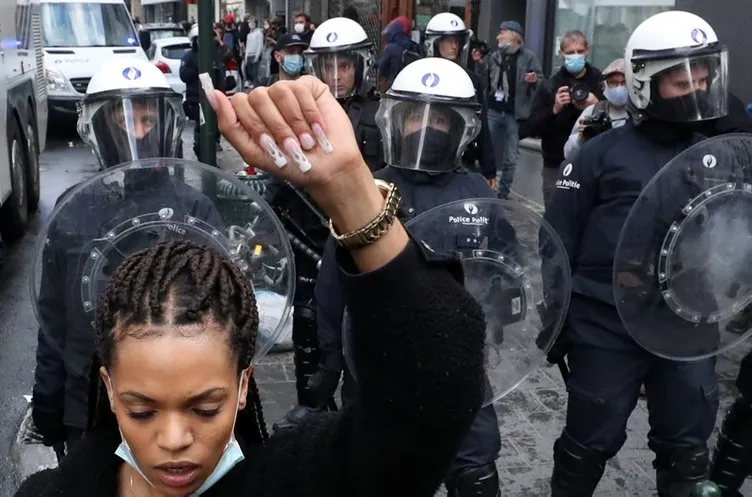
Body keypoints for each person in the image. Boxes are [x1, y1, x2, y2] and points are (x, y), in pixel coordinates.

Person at [15, 74, 488, 497]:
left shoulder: (292, 482)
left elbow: (428, 404)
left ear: (242, 386)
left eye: (205, 408)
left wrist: (350, 189)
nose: (174, 441)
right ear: (111, 389)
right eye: (142, 411)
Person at [543, 11, 731, 496]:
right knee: (589, 440)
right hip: (607, 320)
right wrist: (559, 314)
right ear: (646, 82)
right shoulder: (600, 153)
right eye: (679, 79)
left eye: (703, 76)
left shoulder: (716, 154)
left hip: (687, 322)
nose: (695, 88)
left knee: (688, 447)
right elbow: (558, 237)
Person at [311, 57, 503, 497]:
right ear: (396, 121)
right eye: (416, 115)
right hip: (376, 365)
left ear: (462, 128)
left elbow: (503, 268)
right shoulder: (367, 189)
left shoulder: (476, 191)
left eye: (440, 118)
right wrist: (328, 360)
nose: (427, 126)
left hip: (459, 365)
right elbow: (331, 285)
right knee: (377, 475)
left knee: (475, 473)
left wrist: (499, 320)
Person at [30, 58, 215, 456]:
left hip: (171, 405)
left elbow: (221, 314)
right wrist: (48, 403)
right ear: (99, 128)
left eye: (147, 119)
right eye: (123, 121)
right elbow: (53, 319)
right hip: (88, 406)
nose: (137, 132)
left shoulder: (194, 209)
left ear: (166, 124)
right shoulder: (74, 207)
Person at [523, 30, 603, 206]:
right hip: (556, 164)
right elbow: (528, 129)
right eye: (570, 52)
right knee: (555, 217)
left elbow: (617, 122)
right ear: (561, 55)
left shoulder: (600, 81)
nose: (575, 56)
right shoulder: (550, 85)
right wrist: (554, 109)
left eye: (579, 52)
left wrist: (597, 104)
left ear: (587, 51)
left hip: (594, 164)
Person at [423, 12, 496, 185]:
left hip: (463, 157)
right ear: (434, 43)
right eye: (448, 40)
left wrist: (489, 166)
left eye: (457, 41)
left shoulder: (471, 79)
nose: (454, 46)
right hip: (425, 155)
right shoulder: (421, 75)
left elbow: (481, 123)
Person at [304, 17, 384, 172]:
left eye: (345, 66)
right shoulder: (307, 111)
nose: (335, 76)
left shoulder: (378, 115)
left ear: (360, 67)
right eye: (328, 68)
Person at [481, 20, 543, 198]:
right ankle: (484, 186)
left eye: (502, 32)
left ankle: (503, 192)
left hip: (513, 114)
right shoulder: (494, 56)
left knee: (510, 157)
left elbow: (540, 80)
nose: (498, 36)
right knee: (487, 150)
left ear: (513, 36)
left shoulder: (528, 57)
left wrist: (534, 80)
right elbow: (484, 80)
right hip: (493, 110)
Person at [563, 58, 629, 162]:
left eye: (624, 82)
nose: (619, 87)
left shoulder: (640, 114)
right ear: (605, 85)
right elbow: (569, 155)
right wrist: (581, 139)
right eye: (613, 82)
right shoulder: (593, 112)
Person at [180, 24, 232, 158]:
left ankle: (212, 148)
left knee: (215, 130)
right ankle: (202, 154)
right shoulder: (189, 57)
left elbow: (228, 56)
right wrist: (199, 67)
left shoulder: (215, 54)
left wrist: (219, 42)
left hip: (216, 99)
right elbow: (184, 75)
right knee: (201, 131)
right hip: (197, 100)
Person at [377, 16, 420, 91]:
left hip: (394, 86)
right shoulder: (415, 46)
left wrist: (376, 63)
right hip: (413, 87)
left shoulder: (391, 48)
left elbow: (382, 67)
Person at [244, 18, 264, 87]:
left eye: (252, 23)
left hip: (255, 54)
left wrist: (257, 55)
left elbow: (260, 45)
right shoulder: (249, 35)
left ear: (255, 24)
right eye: (249, 23)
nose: (250, 24)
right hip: (249, 54)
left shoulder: (259, 33)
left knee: (255, 71)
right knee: (249, 71)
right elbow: (247, 45)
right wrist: (246, 56)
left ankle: (255, 84)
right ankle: (252, 82)